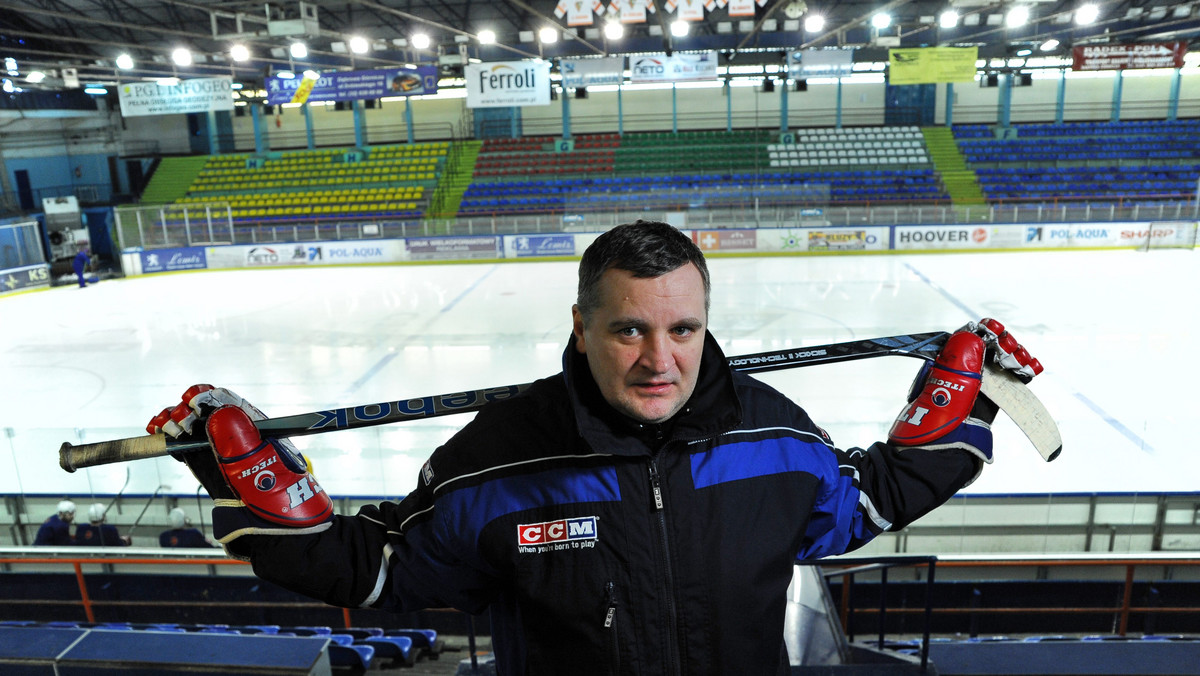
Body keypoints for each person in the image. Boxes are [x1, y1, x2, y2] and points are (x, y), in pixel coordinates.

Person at [147, 220, 1043, 674]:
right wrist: (240, 473)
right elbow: (377, 570)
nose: (661, 361)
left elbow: (867, 501)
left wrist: (968, 403)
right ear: (580, 327)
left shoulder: (775, 436)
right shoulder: (496, 463)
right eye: (629, 331)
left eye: (684, 329)